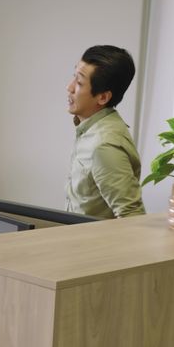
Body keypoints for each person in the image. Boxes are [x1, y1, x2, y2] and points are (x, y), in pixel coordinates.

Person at [65, 45, 146, 219]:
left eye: (79, 83)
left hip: (92, 245)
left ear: (103, 97)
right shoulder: (90, 128)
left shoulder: (105, 145)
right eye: (74, 77)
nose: (69, 87)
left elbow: (132, 215)